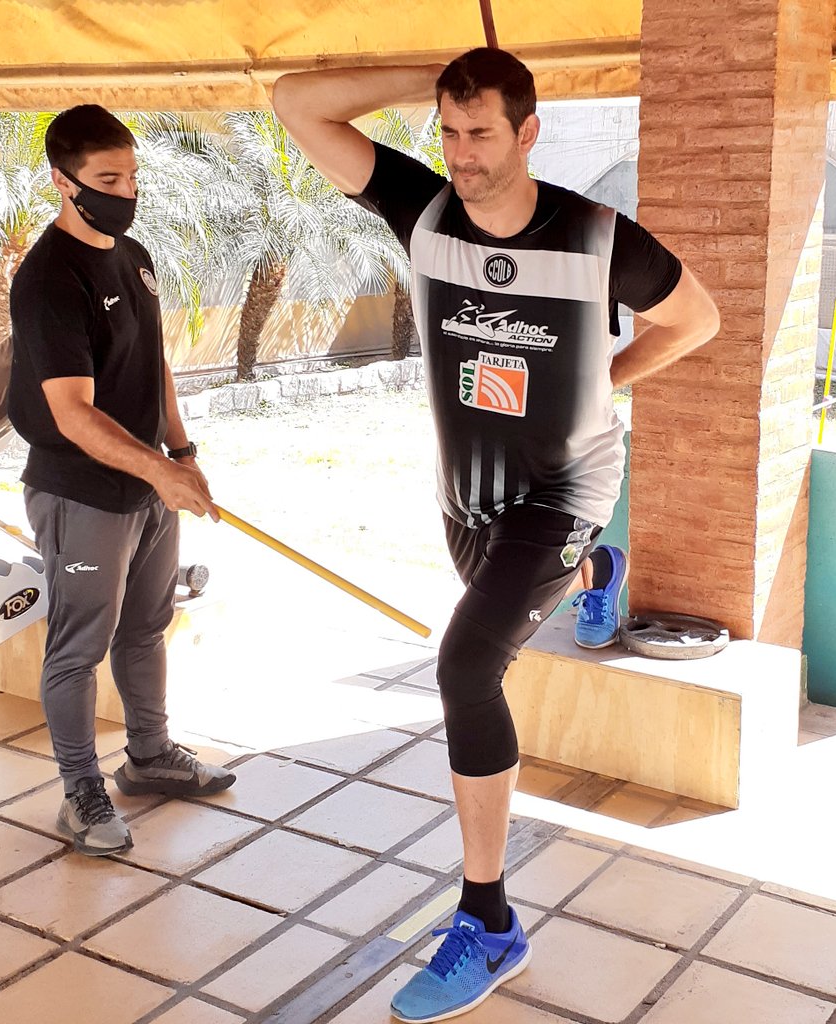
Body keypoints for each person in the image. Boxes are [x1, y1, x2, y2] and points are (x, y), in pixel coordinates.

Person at [273, 49, 720, 1022]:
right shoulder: (424, 211)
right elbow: (295, 102)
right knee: (504, 608)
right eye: (449, 131)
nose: (463, 153)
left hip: (565, 489)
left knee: (467, 665)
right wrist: (432, 81)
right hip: (469, 500)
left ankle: (489, 921)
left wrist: (607, 379)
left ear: (529, 132)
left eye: (481, 132)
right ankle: (597, 573)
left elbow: (698, 317)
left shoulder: (596, 236)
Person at [7, 104, 235, 858]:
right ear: (62, 181)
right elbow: (72, 415)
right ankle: (80, 790)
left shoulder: (133, 255)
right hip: (82, 492)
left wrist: (182, 451)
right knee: (79, 644)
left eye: (132, 176)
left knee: (146, 627)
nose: (126, 192)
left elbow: (155, 359)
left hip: (147, 480)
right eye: (107, 180)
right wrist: (159, 470)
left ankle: (150, 755)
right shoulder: (48, 279)